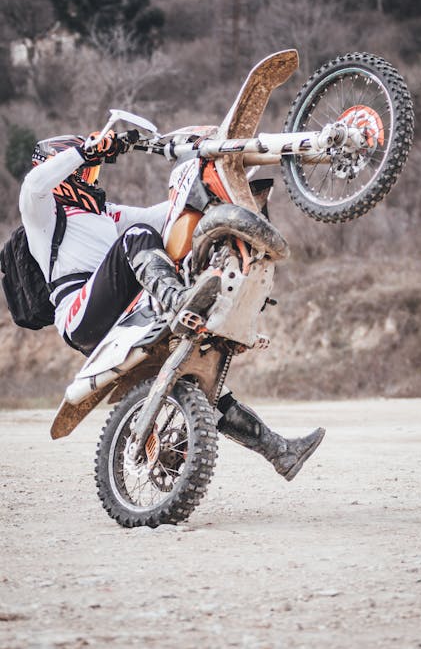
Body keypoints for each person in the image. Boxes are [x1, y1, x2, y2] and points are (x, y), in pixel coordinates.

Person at [20, 130, 325, 480]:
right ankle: (180, 302)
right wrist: (85, 151)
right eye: (85, 173)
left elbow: (167, 212)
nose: (91, 178)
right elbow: (33, 185)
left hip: (125, 309)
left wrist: (224, 174)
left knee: (208, 388)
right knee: (136, 240)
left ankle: (280, 452)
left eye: (93, 171)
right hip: (80, 313)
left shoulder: (107, 214)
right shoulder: (43, 214)